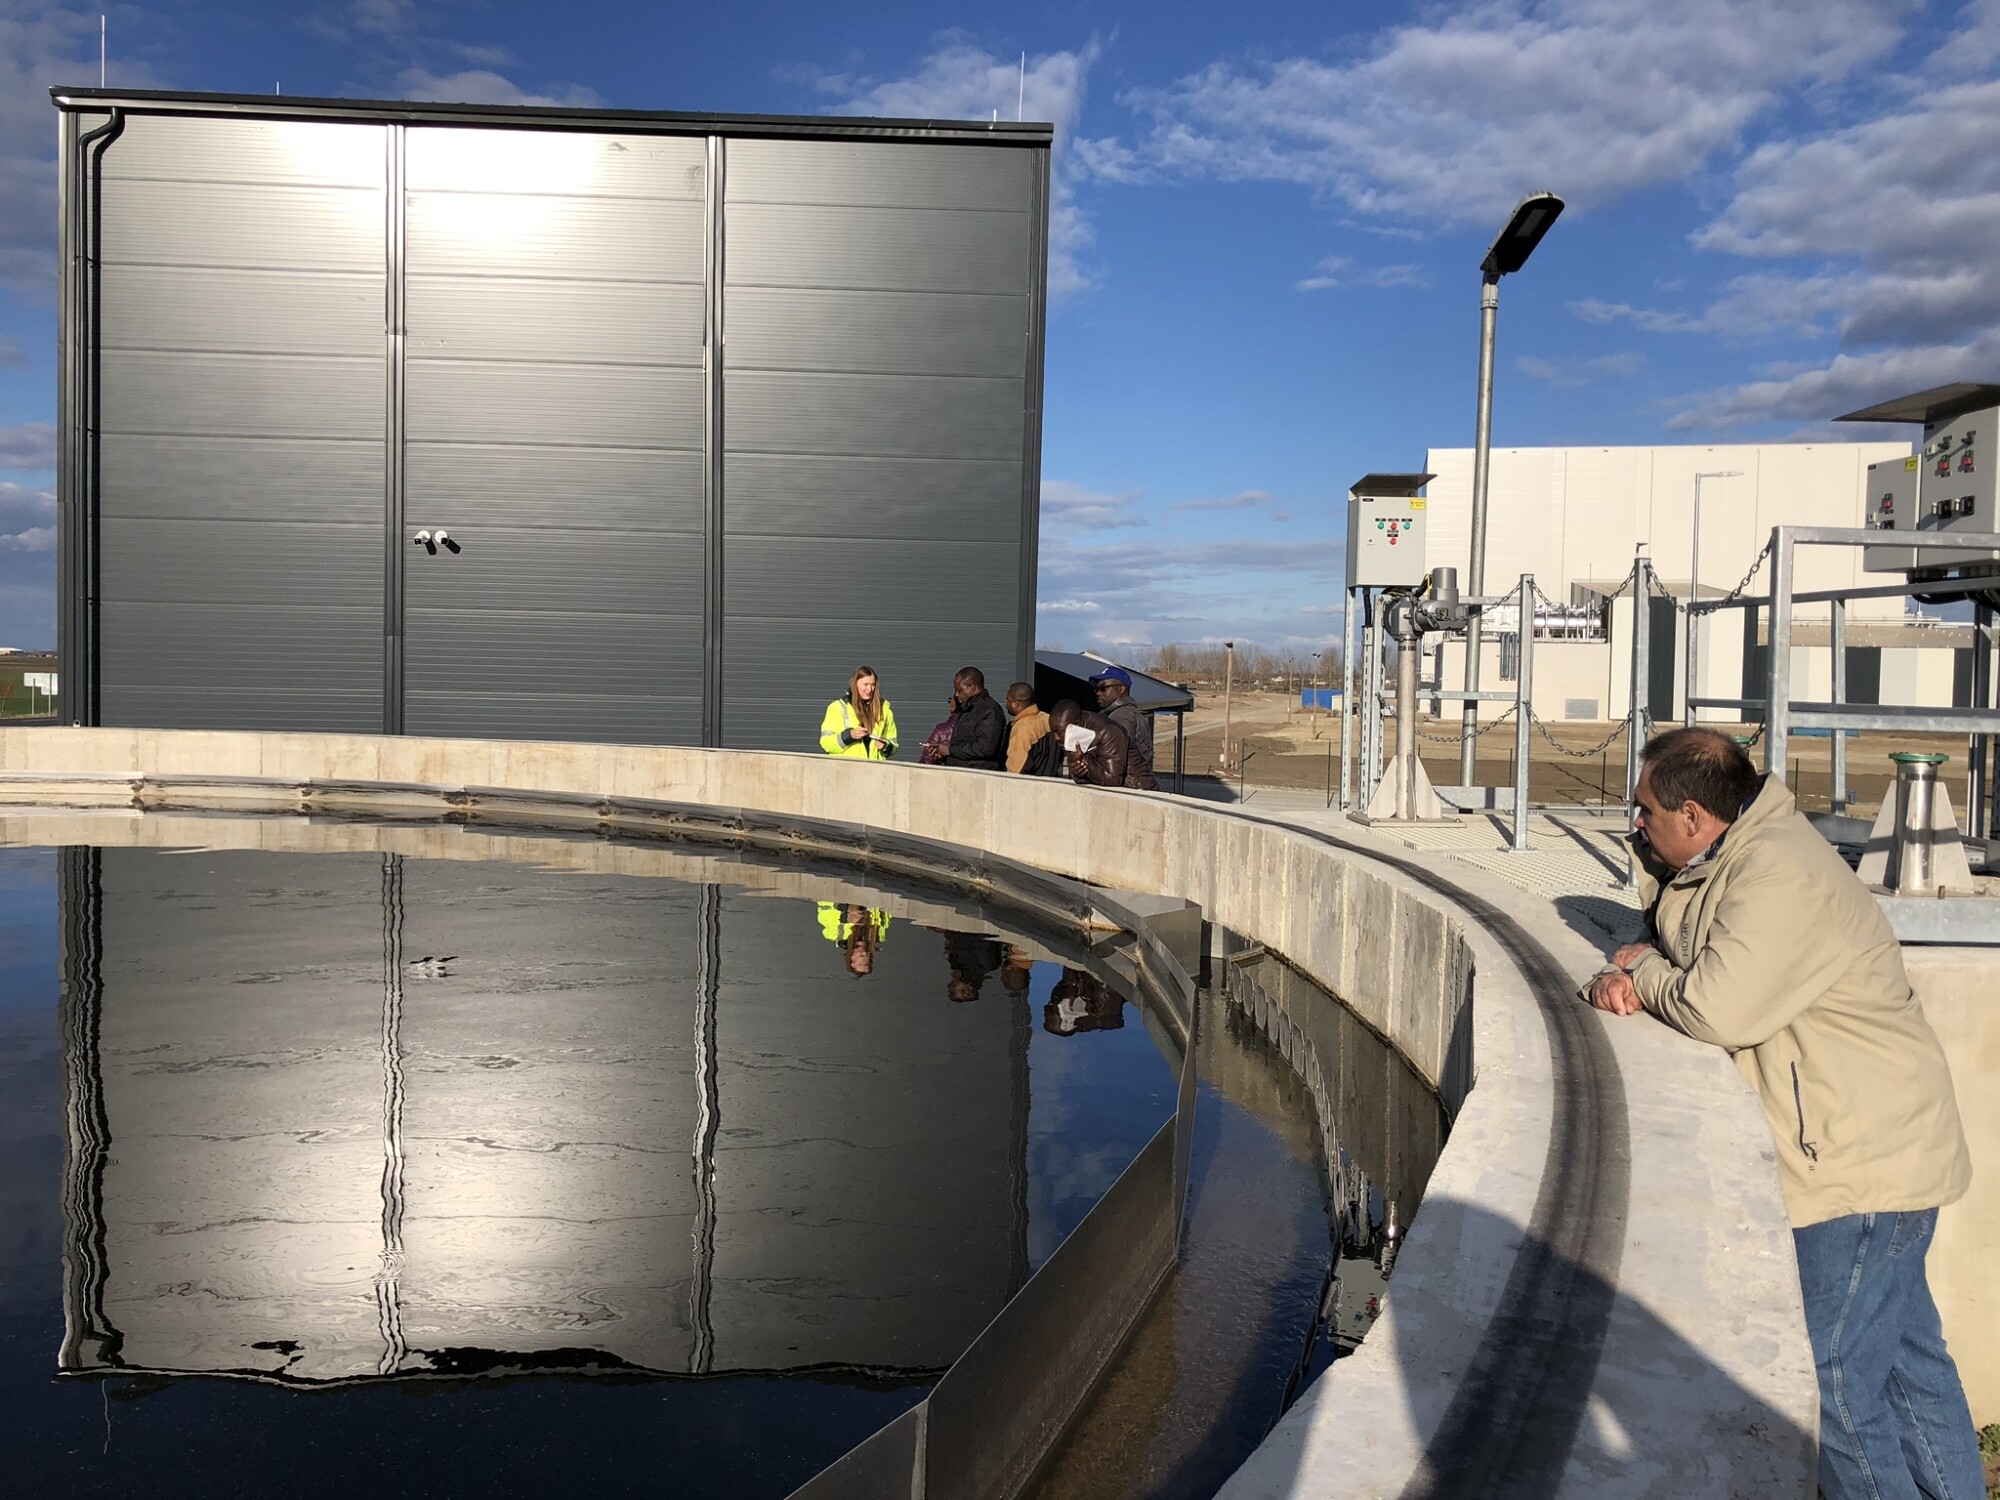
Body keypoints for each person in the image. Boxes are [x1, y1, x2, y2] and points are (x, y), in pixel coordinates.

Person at [1585, 728, 1978, 1500]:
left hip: (1853, 1167)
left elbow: (1717, 1006)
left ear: (1694, 816)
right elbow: (1682, 931)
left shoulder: (1778, 875)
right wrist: (1653, 935)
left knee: (1834, 1383)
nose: (1635, 825)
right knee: (1906, 1363)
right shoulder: (1732, 856)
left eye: (1645, 813)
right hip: (1871, 1148)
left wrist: (1644, 973)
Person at [1047, 700, 1157, 791]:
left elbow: (1113, 780)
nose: (1056, 737)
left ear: (1075, 724)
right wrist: (1079, 771)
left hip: (1138, 791)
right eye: (1053, 732)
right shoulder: (1070, 736)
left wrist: (1084, 761)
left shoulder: (1109, 732)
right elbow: (1081, 778)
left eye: (1059, 732)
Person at [818, 666, 898, 761]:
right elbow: (826, 743)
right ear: (855, 684)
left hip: (875, 770)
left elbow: (894, 744)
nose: (870, 689)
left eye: (873, 685)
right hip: (848, 769)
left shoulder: (884, 710)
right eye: (865, 684)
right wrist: (849, 736)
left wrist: (886, 746)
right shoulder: (836, 708)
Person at [1089, 665, 1154, 770]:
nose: (1098, 693)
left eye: (1103, 688)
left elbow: (1114, 760)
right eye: (1096, 689)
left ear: (1121, 689)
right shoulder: (1119, 714)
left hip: (1125, 785)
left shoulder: (1122, 716)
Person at [944, 667, 1005, 770]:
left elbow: (984, 748)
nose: (956, 695)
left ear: (971, 687)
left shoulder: (990, 710)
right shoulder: (969, 709)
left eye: (959, 690)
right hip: (962, 772)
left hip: (977, 775)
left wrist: (949, 750)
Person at [817, 901, 890, 977]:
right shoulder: (879, 935)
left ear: (851, 959)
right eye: (868, 962)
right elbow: (890, 909)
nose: (865, 958)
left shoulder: (834, 934)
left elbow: (824, 902)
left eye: (861, 963)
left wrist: (845, 911)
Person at [1003, 681, 1052, 774]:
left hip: (1027, 784)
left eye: (1007, 700)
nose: (1005, 702)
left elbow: (1015, 769)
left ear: (1015, 704)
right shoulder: (1046, 718)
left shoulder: (1022, 730)